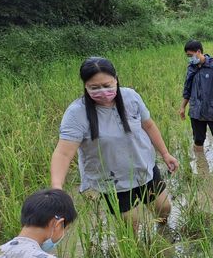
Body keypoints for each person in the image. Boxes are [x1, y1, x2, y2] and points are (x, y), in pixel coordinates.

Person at [51, 57, 178, 232]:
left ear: (116, 80)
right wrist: (57, 187)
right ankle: (135, 254)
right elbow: (63, 153)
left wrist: (165, 154)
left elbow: (148, 125)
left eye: (107, 85)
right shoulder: (76, 113)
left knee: (163, 208)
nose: (102, 91)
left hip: (143, 166)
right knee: (130, 223)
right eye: (94, 87)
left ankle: (163, 232)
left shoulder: (130, 97)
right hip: (112, 179)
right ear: (85, 86)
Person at [179, 40, 213, 153]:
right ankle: (201, 165)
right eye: (187, 56)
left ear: (198, 51)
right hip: (196, 111)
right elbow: (187, 90)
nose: (189, 58)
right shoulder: (191, 68)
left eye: (190, 55)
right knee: (198, 140)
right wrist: (182, 107)